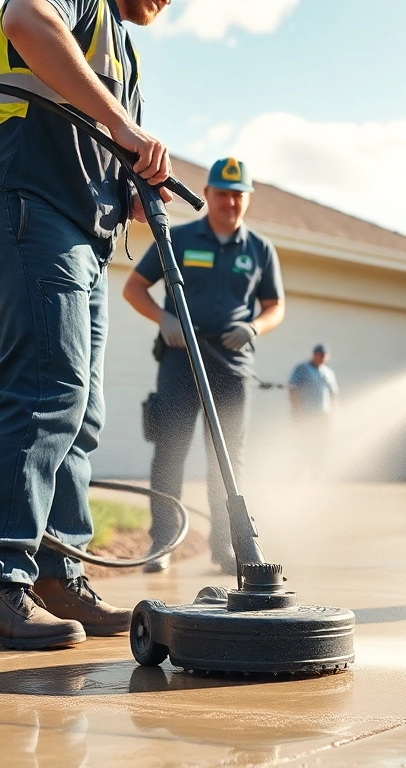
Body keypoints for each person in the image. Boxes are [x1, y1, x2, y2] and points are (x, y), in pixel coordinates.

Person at [0, 0, 173, 651]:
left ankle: (56, 575)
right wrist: (126, 128)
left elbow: (90, 128)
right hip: (25, 202)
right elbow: (25, 19)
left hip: (79, 230)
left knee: (82, 410)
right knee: (48, 390)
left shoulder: (121, 48)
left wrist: (125, 181)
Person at [123, 157, 285, 574]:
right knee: (170, 451)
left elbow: (275, 306)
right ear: (208, 195)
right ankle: (161, 543)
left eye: (237, 195)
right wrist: (163, 318)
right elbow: (134, 287)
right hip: (181, 361)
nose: (229, 202)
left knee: (228, 459)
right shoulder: (176, 238)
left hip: (232, 365)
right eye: (222, 193)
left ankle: (229, 548)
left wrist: (254, 327)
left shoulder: (260, 249)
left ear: (246, 198)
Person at [288, 344, 339, 419]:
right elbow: (292, 389)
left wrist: (335, 410)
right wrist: (297, 408)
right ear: (314, 355)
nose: (323, 357)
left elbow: (333, 393)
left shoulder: (329, 372)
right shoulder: (303, 369)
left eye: (325, 355)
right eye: (321, 355)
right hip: (306, 413)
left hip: (324, 414)